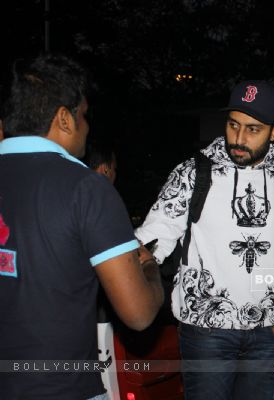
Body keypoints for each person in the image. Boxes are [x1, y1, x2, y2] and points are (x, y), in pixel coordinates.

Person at [0, 53, 164, 400]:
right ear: (64, 118)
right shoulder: (86, 188)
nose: (87, 127)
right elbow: (137, 314)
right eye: (84, 115)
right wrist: (149, 268)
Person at [135, 80, 274, 400]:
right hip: (206, 330)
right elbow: (150, 244)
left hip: (269, 332)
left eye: (253, 129)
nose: (240, 138)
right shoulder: (193, 173)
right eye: (233, 125)